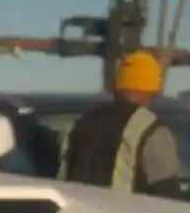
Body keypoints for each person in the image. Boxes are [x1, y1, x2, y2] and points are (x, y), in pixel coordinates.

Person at [62, 50, 181, 194]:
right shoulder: (151, 130)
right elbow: (167, 195)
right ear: (153, 89)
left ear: (116, 86)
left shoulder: (79, 124)